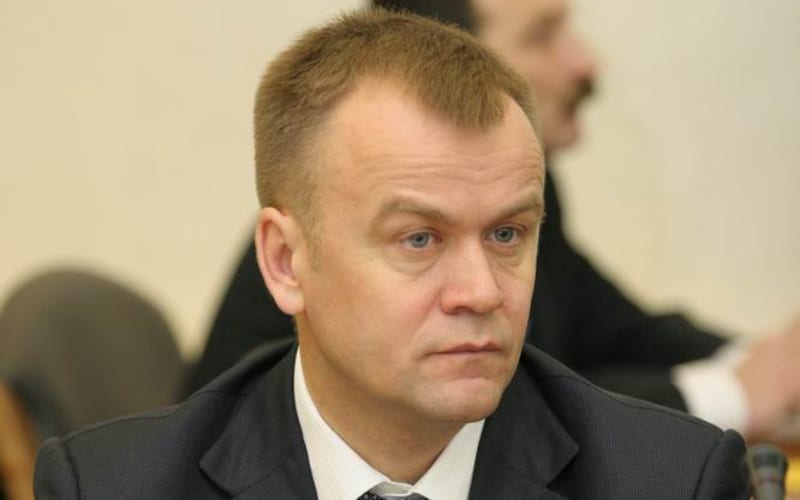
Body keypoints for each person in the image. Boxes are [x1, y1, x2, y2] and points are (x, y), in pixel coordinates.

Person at [35, 10, 747, 499]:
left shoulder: (672, 482)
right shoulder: (110, 486)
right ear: (285, 262)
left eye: (506, 235)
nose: (481, 292)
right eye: (419, 239)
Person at [187, 0, 800, 440]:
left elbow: (617, 330)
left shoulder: (523, 190)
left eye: (506, 232)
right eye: (420, 239)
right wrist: (735, 394)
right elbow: (519, 412)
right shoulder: (327, 228)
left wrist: (773, 362)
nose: (584, 63)